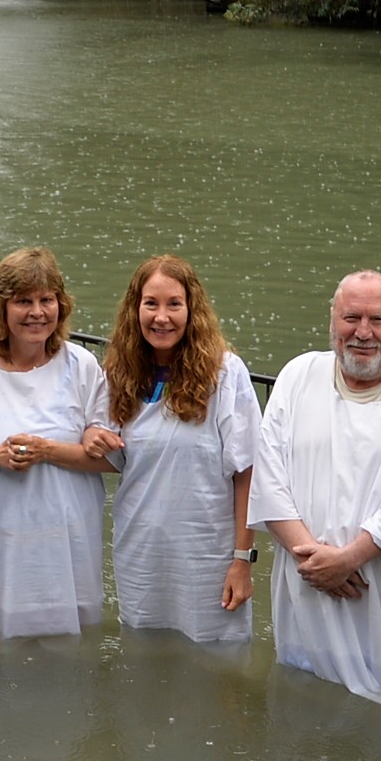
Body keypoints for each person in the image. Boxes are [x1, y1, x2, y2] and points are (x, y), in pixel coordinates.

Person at [247, 270, 381, 704]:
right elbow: (268, 476)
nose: (363, 332)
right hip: (305, 586)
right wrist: (315, 562)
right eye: (351, 318)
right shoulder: (298, 375)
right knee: (301, 703)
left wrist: (347, 559)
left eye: (377, 320)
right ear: (332, 320)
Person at [0, 247, 111, 639]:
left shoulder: (81, 366)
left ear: (61, 306)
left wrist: (53, 449)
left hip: (69, 544)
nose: (37, 312)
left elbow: (113, 460)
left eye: (47, 300)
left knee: (70, 658)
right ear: (1, 308)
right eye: (23, 301)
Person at [84, 255, 262, 643]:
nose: (161, 317)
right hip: (141, 554)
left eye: (173, 304)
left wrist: (241, 561)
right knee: (146, 669)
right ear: (135, 309)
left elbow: (248, 472)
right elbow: (109, 455)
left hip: (207, 558)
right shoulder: (119, 375)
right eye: (151, 303)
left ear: (191, 309)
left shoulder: (225, 374)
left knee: (216, 673)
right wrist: (90, 437)